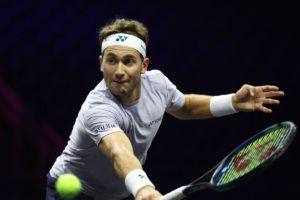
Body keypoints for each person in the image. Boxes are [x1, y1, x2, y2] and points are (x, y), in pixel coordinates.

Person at [46, 18, 284, 200]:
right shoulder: (97, 108)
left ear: (144, 66)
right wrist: (143, 187)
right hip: (73, 191)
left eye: (128, 61)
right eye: (111, 60)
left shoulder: (157, 83)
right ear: (101, 63)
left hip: (119, 192)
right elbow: (119, 152)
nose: (119, 70)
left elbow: (185, 107)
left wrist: (232, 102)